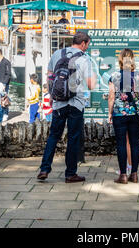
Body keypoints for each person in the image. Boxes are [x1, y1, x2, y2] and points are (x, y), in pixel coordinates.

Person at [37, 32, 96, 183]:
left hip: (58, 103)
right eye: (87, 44)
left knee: (53, 135)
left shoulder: (57, 53)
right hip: (75, 103)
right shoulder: (84, 58)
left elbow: (50, 76)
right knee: (73, 138)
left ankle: (44, 169)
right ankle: (70, 174)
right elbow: (91, 85)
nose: (87, 47)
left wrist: (52, 95)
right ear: (83, 43)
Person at [108, 48, 139, 184]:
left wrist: (109, 113)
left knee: (121, 144)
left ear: (120, 60)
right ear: (133, 59)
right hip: (135, 113)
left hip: (119, 113)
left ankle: (123, 175)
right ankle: (134, 175)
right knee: (135, 144)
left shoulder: (114, 76)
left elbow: (111, 97)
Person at [0, 48, 12, 121]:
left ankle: (5, 114)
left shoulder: (6, 62)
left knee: (4, 99)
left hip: (3, 84)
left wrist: (4, 83)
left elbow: (8, 74)